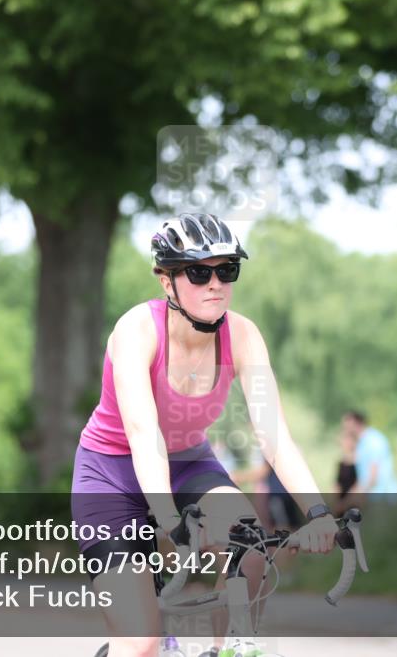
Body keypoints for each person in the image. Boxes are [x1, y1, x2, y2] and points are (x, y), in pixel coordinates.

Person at [71, 213, 339, 657]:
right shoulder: (137, 331)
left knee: (249, 544)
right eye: (199, 272)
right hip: (110, 474)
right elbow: (143, 432)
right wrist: (169, 520)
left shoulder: (244, 336)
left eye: (226, 270)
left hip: (189, 463)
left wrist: (318, 512)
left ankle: (230, 647)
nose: (215, 283)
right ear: (166, 280)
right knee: (141, 644)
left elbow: (273, 434)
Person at [342, 410, 397, 496]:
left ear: (357, 424)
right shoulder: (362, 443)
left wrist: (355, 495)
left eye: (347, 425)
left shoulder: (374, 441)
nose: (345, 429)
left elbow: (373, 476)